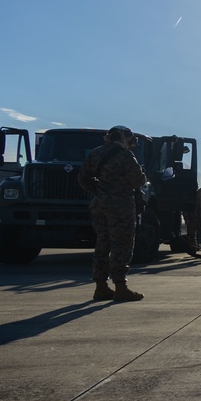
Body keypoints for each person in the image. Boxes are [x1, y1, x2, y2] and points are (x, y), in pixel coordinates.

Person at [78, 125, 147, 301]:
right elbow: (138, 180)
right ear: (124, 138)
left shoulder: (95, 153)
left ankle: (101, 287)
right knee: (121, 244)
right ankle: (120, 287)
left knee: (102, 244)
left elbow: (83, 179)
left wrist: (100, 191)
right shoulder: (125, 155)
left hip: (99, 205)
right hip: (120, 206)